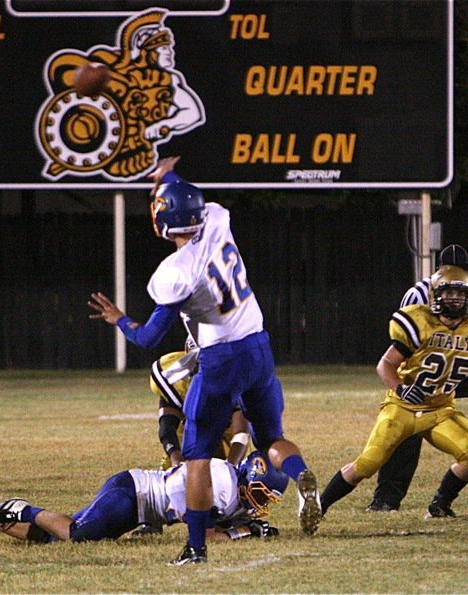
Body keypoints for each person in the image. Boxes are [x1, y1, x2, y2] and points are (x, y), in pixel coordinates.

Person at [88, 156, 321, 565]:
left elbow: (149, 338)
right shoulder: (215, 218)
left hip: (221, 356)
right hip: (258, 345)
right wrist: (167, 174)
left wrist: (119, 319)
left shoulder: (177, 270)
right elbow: (187, 196)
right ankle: (300, 474)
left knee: (196, 454)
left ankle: (195, 547)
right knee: (269, 440)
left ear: (163, 223)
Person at [317, 266, 468, 517]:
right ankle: (319, 506)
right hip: (403, 407)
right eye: (449, 292)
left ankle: (440, 504)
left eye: (461, 293)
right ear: (435, 296)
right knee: (368, 464)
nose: (455, 298)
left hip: (440, 410)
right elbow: (385, 364)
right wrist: (400, 388)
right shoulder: (418, 321)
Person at [369, 243, 468, 515]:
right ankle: (386, 498)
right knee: (404, 425)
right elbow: (403, 348)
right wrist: (406, 387)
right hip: (431, 372)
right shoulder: (419, 294)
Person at [0, 451, 287, 547]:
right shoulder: (222, 482)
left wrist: (247, 525)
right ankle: (20, 507)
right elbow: (208, 536)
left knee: (50, 538)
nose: (260, 504)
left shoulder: (236, 486)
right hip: (132, 494)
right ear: (248, 479)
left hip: (139, 506)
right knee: (78, 534)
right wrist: (248, 532)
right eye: (261, 493)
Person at [151, 344, 250, 470]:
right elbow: (167, 427)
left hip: (226, 429)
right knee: (172, 471)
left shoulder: (234, 374)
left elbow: (241, 433)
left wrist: (230, 468)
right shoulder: (175, 376)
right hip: (193, 433)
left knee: (244, 470)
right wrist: (176, 459)